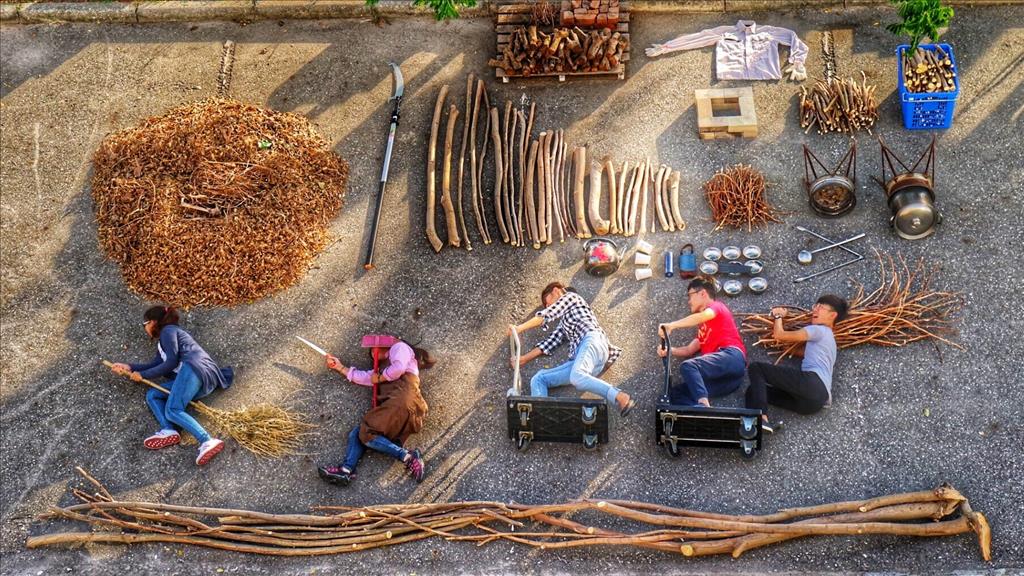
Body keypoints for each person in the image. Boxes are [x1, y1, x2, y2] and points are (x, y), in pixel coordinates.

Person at [109, 305, 233, 466]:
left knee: (173, 409)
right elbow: (156, 363)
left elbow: (171, 362)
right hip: (198, 379)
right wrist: (130, 367)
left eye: (144, 324)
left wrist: (143, 376)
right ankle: (169, 430)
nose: (144, 328)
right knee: (153, 395)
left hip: (195, 370)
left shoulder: (168, 331)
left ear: (153, 322)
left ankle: (207, 440)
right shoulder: (164, 342)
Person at [318, 336, 432, 486]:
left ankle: (408, 457)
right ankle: (346, 470)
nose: (372, 354)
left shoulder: (399, 347)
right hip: (401, 408)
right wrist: (340, 367)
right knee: (358, 433)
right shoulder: (383, 370)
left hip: (402, 400)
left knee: (367, 432)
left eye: (372, 350)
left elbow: (398, 369)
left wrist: (378, 377)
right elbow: (366, 377)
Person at [510, 282, 635, 416]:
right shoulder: (564, 323)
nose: (547, 306)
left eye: (547, 302)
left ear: (556, 291)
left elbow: (547, 315)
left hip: (592, 341)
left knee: (577, 376)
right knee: (539, 378)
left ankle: (620, 396)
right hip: (584, 363)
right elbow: (551, 341)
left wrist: (519, 328)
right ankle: (542, 417)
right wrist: (523, 359)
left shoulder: (571, 298)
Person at [745, 295, 848, 433]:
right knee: (753, 391)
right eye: (815, 306)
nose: (815, 310)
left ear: (832, 315)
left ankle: (762, 418)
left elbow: (780, 335)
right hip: (813, 404)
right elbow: (803, 353)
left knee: (756, 368)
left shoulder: (819, 330)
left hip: (813, 383)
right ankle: (752, 426)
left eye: (821, 307)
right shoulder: (829, 341)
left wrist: (778, 316)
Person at [657, 276, 746, 407]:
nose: (689, 301)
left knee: (688, 366)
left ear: (703, 293)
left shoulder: (717, 307)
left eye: (690, 295)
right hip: (726, 381)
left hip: (732, 358)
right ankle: (699, 415)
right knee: (675, 394)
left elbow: (703, 316)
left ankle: (703, 405)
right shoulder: (702, 330)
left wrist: (671, 325)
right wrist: (669, 351)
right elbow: (689, 350)